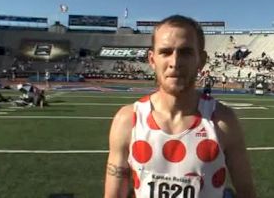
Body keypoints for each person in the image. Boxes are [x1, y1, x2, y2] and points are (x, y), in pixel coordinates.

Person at [104, 15, 256, 198]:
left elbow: (247, 193)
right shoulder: (128, 120)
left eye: (185, 52)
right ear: (152, 60)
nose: (175, 63)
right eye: (165, 52)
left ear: (202, 60)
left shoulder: (223, 122)